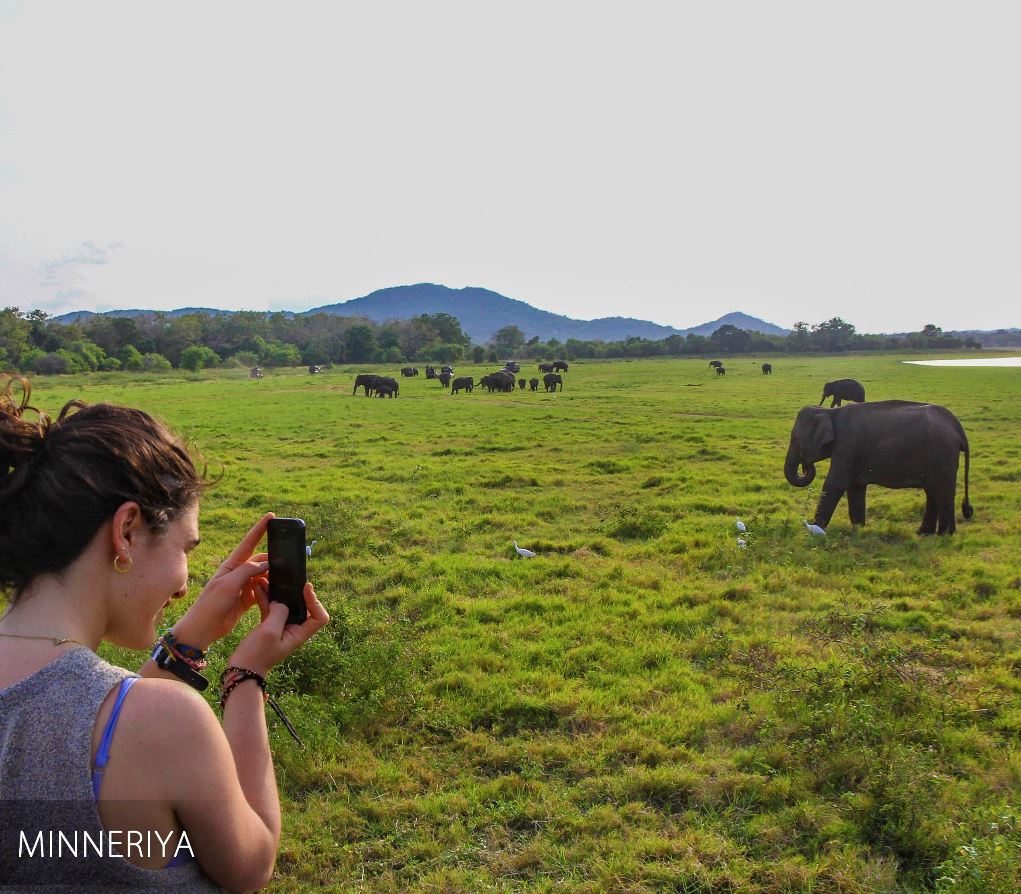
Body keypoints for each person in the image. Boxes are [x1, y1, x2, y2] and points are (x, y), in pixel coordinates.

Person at [0, 376, 329, 892]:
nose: (184, 584)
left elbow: (85, 710)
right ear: (127, 531)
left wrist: (188, 639)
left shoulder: (133, 716)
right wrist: (246, 676)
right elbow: (251, 864)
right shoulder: (165, 721)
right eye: (186, 550)